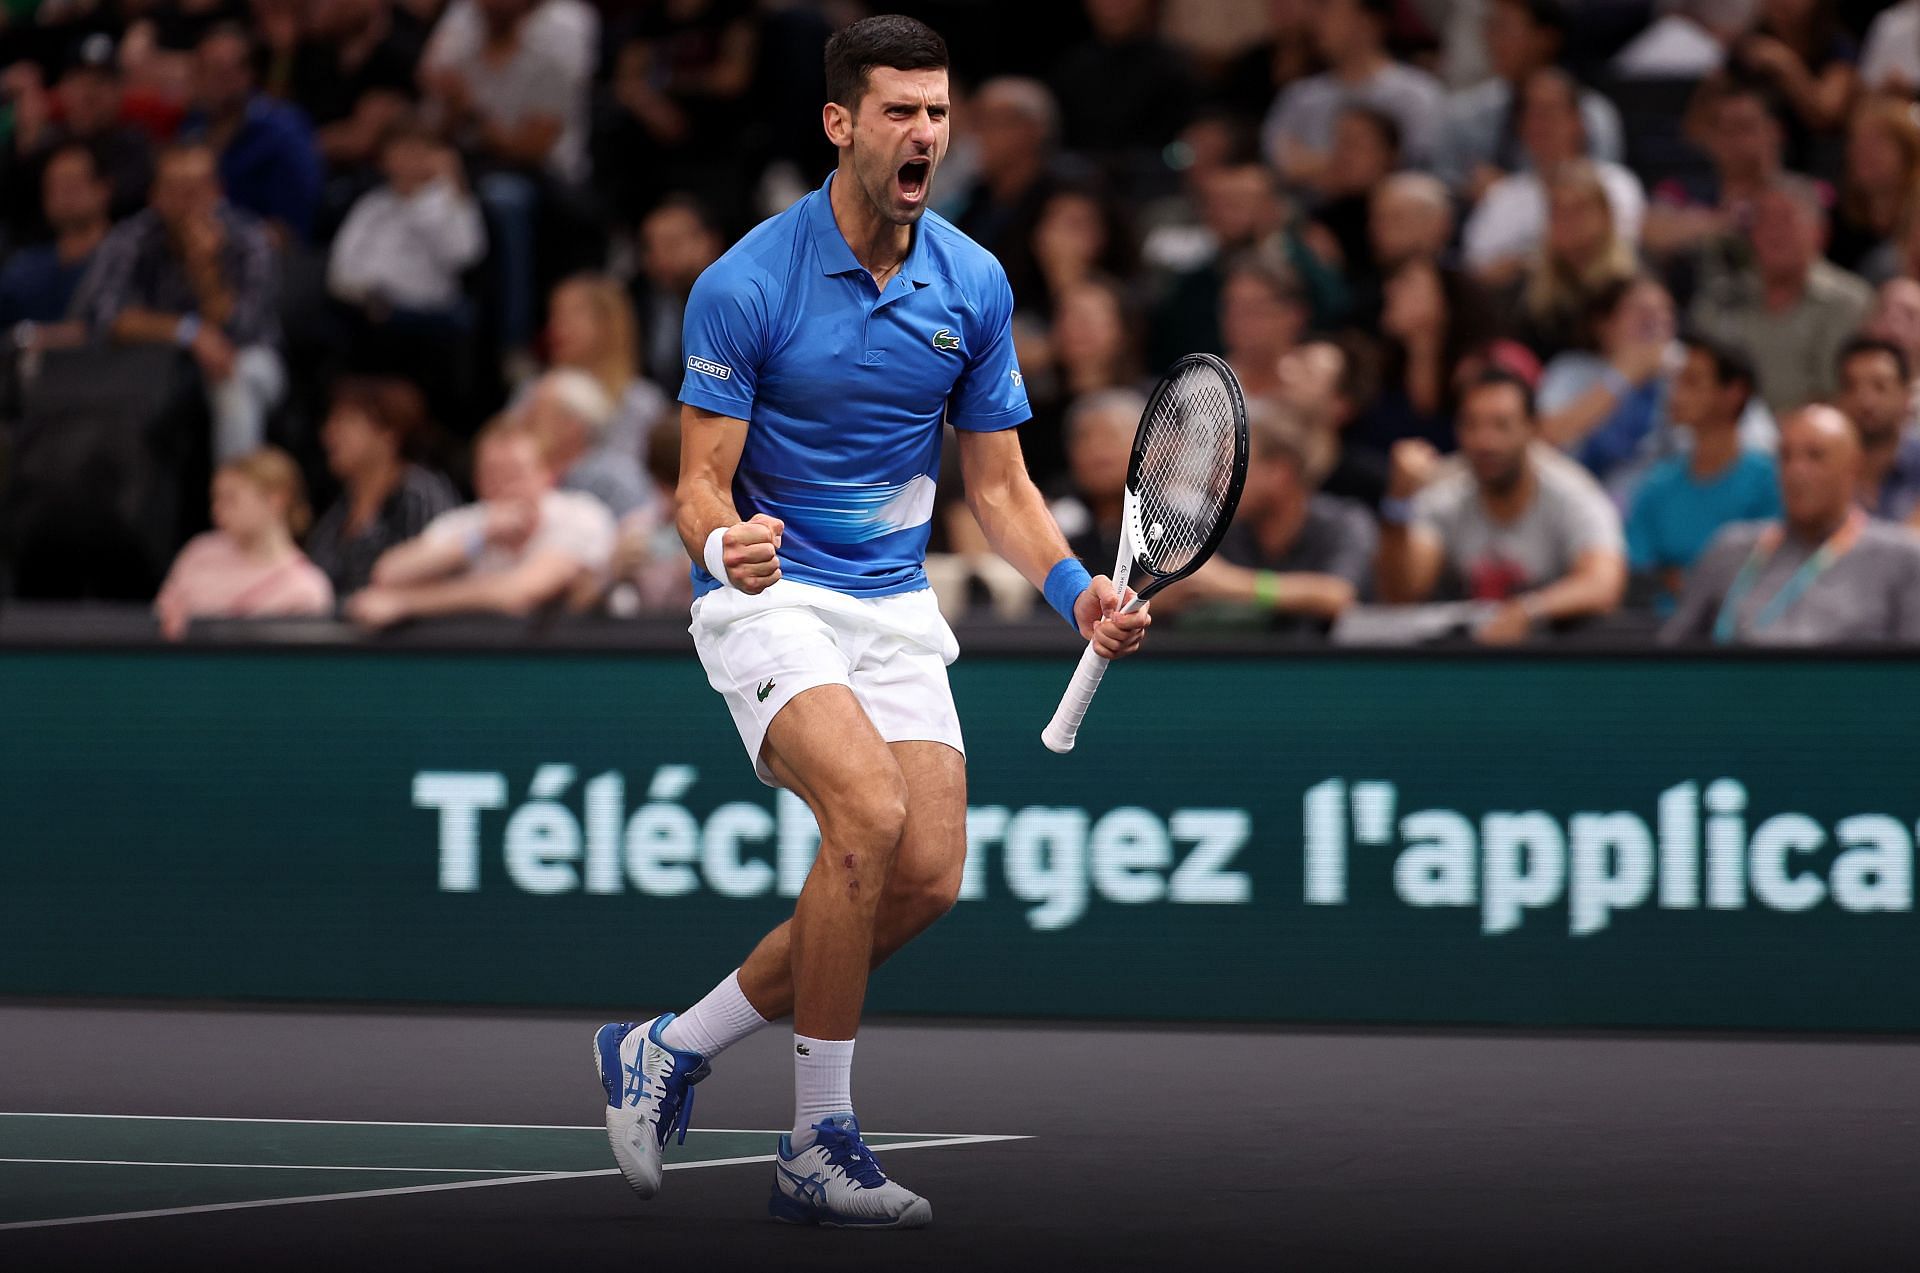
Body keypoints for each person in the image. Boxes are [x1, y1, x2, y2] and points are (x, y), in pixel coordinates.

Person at [595, 16, 1148, 1231]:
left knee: (929, 877)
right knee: (867, 812)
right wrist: (716, 541)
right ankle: (816, 1136)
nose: (926, 133)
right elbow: (699, 481)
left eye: (938, 111)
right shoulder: (744, 282)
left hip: (893, 601)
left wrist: (1076, 594)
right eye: (900, 111)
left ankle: (668, 1047)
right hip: (768, 590)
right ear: (841, 124)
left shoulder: (976, 283)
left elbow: (998, 491)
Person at [69, 140, 284, 463]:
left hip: (247, 358)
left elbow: (238, 332)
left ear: (217, 190)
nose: (187, 203)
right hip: (151, 363)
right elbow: (102, 315)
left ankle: (238, 500)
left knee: (232, 385)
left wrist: (206, 270)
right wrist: (187, 331)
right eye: (176, 190)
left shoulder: (249, 239)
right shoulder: (134, 237)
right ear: (155, 195)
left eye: (196, 189)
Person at [1376, 368, 1627, 644]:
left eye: (1501, 425)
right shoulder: (1445, 493)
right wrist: (1398, 504)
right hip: (1463, 663)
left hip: (1553, 662)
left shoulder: (1573, 493)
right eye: (1471, 425)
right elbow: (1403, 592)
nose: (1485, 441)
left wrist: (1526, 612)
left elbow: (1602, 585)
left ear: (1532, 428)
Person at [1663, 404, 1920, 643]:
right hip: (1737, 689)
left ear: (1853, 467)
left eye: (1815, 456)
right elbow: (1671, 660)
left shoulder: (1901, 558)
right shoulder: (1730, 547)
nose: (1796, 470)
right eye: (1786, 456)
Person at [345, 417, 613, 627]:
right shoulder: (472, 525)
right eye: (492, 475)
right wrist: (479, 538)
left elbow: (517, 593)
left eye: (514, 473)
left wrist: (406, 603)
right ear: (477, 482)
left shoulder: (581, 515)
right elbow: (388, 573)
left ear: (546, 476)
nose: (504, 487)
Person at [1166, 402, 1373, 633]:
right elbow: (1151, 593)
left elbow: (1336, 596)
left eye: (1230, 468)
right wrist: (1163, 591)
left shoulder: (1344, 522)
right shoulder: (1213, 526)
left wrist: (1229, 583)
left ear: (1279, 473)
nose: (1216, 482)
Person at [1688, 175, 1873, 415]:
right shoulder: (1719, 302)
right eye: (1764, 221)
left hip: (1812, 441)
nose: (1774, 232)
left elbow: (1845, 393)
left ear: (1820, 232)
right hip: (1729, 444)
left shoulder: (1851, 304)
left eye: (1787, 219)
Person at [1625, 335, 1781, 609]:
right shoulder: (1657, 483)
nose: (1675, 394)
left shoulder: (1771, 480)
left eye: (1692, 381)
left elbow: (1772, 570)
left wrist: (1684, 579)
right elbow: (1638, 568)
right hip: (1658, 636)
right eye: (1676, 381)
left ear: (1733, 392)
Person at [1461, 70, 1646, 283]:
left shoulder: (1615, 182)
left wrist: (1523, 261)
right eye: (1531, 113)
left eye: (1550, 111)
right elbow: (1476, 270)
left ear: (1578, 121)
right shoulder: (1504, 194)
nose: (1540, 123)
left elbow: (1617, 251)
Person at [1434, 0, 1626, 196]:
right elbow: (1441, 180)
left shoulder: (1592, 114)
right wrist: (1468, 188)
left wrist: (1509, 190)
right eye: (1491, 26)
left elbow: (1604, 191)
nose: (1492, 38)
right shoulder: (1468, 111)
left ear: (1545, 38)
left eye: (1505, 28)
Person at [153, 447, 334, 640]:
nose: (217, 510)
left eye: (231, 499)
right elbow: (160, 615)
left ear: (275, 500)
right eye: (215, 499)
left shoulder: (306, 587)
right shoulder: (199, 551)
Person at [304, 377, 460, 597]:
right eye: (331, 423)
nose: (329, 435)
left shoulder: (420, 496)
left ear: (388, 434)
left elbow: (445, 572)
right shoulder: (338, 511)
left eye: (346, 423)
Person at [326, 118, 486, 330]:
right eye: (398, 151)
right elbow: (342, 258)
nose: (406, 160)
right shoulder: (374, 203)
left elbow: (464, 254)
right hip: (365, 308)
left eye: (415, 151)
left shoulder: (451, 200)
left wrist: (436, 191)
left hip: (425, 312)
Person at [1264, 0, 1444, 184]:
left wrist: (1320, 165)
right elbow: (1278, 161)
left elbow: (1422, 167)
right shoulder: (1299, 97)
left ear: (1367, 22)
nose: (1316, 20)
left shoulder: (1417, 95)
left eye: (1328, 9)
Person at [181, 24, 324, 242]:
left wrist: (225, 242)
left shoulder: (282, 132)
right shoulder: (192, 126)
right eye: (203, 70)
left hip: (264, 259)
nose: (210, 82)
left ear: (247, 74)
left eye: (221, 72)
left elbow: (289, 230)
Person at [1507, 160, 1643, 361]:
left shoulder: (1631, 284)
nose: (1566, 220)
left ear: (1605, 216)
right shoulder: (1532, 293)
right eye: (1557, 211)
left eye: (1578, 209)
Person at [538, 273, 669, 459]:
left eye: (573, 315)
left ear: (608, 324)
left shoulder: (642, 404)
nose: (559, 327)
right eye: (555, 315)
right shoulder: (536, 391)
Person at [0, 144, 111, 348]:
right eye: (54, 186)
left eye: (72, 184)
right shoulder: (25, 267)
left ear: (102, 189)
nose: (63, 194)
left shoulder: (128, 259)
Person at [520, 367, 653, 519]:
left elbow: (638, 530)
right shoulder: (522, 473)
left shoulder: (614, 477)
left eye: (538, 414)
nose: (526, 422)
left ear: (571, 425)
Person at [630, 196, 724, 394]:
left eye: (671, 243)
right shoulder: (633, 299)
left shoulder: (733, 303)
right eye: (650, 246)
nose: (659, 256)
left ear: (709, 242)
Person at [1828, 98, 1920, 280]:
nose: (1863, 152)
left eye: (1877, 142)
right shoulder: (1838, 218)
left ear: (1907, 152)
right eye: (1857, 142)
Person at [1834, 336, 1920, 521]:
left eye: (1880, 387)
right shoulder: (1823, 468)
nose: (1865, 401)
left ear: (1906, 395)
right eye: (1851, 387)